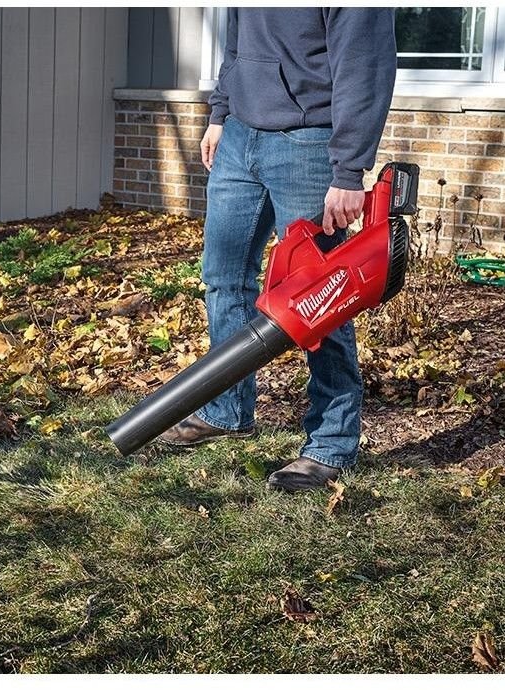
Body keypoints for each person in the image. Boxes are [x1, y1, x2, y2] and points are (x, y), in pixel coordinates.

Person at [158, 8, 397, 492]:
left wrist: (349, 171)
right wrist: (220, 114)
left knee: (320, 299)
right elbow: (237, 41)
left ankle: (330, 444)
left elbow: (365, 66)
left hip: (308, 143)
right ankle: (227, 412)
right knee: (224, 279)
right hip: (240, 136)